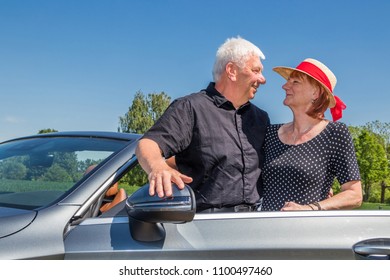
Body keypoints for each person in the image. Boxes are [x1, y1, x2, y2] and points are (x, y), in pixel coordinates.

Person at [135, 36, 270, 212]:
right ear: (232, 71)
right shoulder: (190, 108)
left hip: (256, 224)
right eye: (256, 70)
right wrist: (158, 166)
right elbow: (148, 144)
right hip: (206, 226)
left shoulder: (261, 118)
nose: (263, 79)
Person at [259, 58, 362, 211]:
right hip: (265, 230)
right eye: (289, 81)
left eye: (295, 82)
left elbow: (355, 195)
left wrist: (309, 208)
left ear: (316, 92)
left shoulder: (334, 133)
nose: (285, 86)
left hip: (307, 231)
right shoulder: (270, 133)